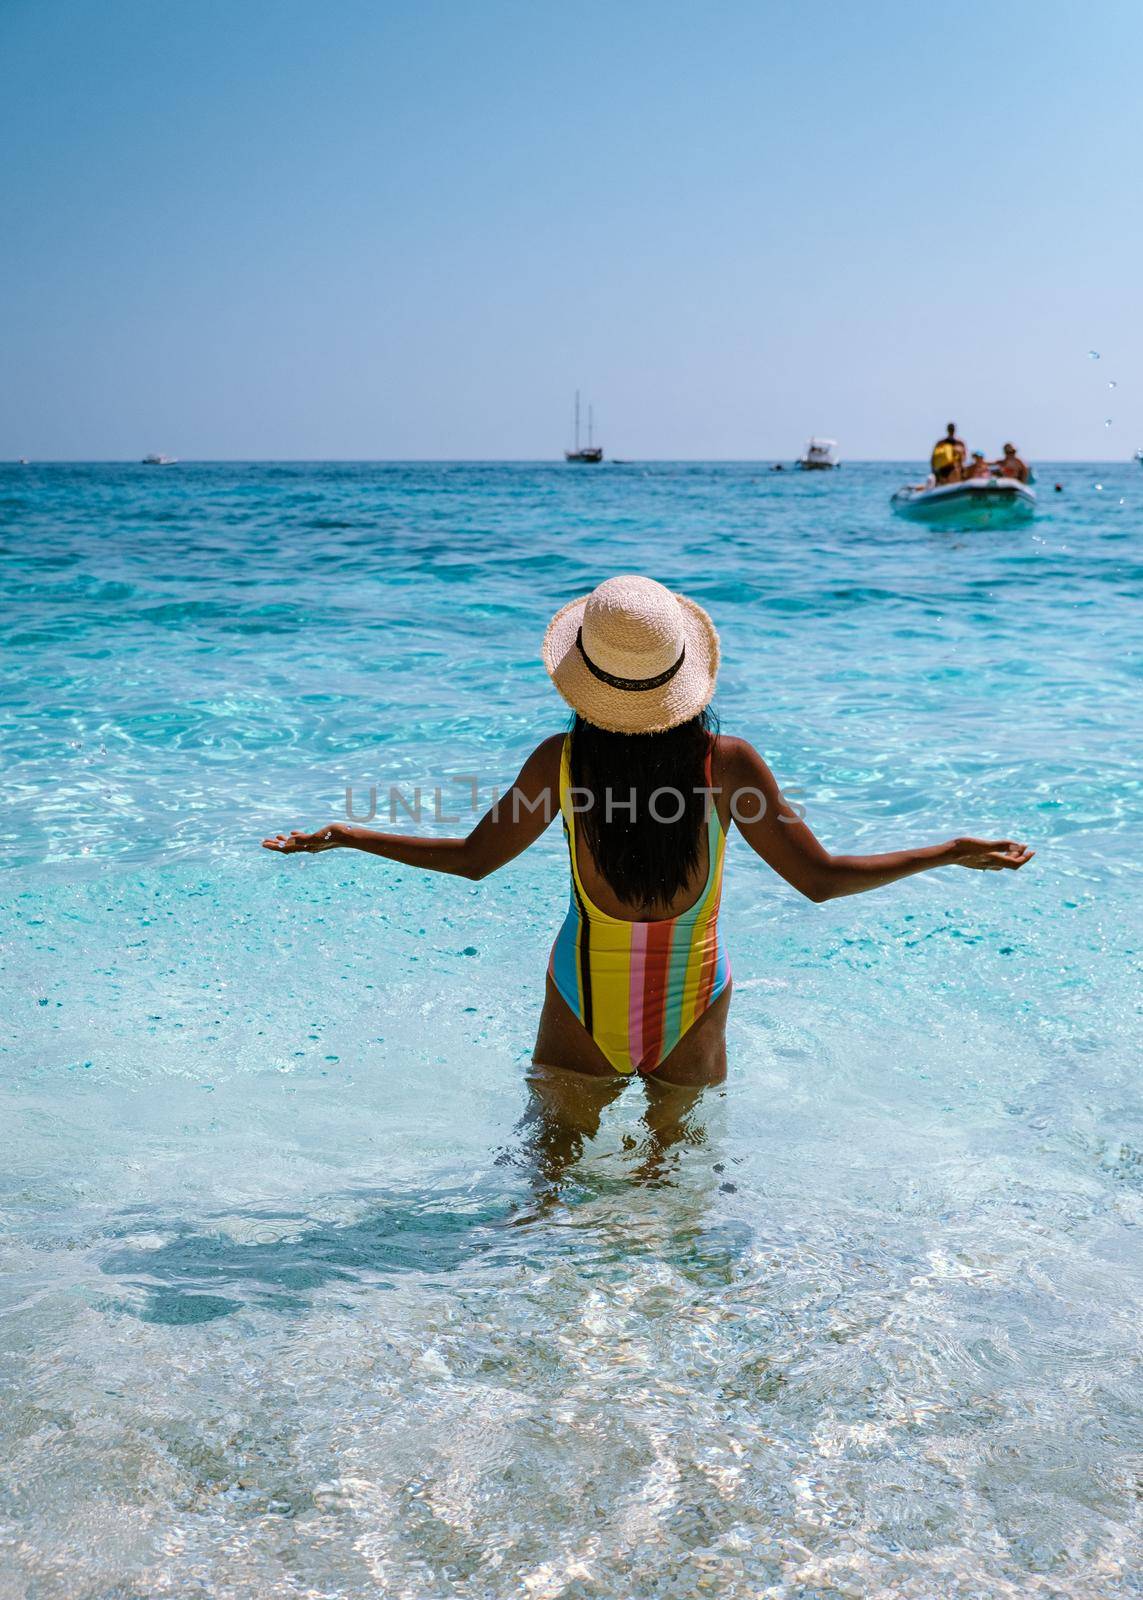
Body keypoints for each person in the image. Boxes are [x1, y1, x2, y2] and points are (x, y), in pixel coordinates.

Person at [264, 575, 1032, 1100]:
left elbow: (471, 863)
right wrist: (944, 852)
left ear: (585, 676)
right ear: (680, 674)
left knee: (547, 1202)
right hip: (693, 994)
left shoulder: (559, 763)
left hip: (582, 991)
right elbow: (821, 879)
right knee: (679, 1207)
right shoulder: (724, 764)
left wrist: (350, 834)